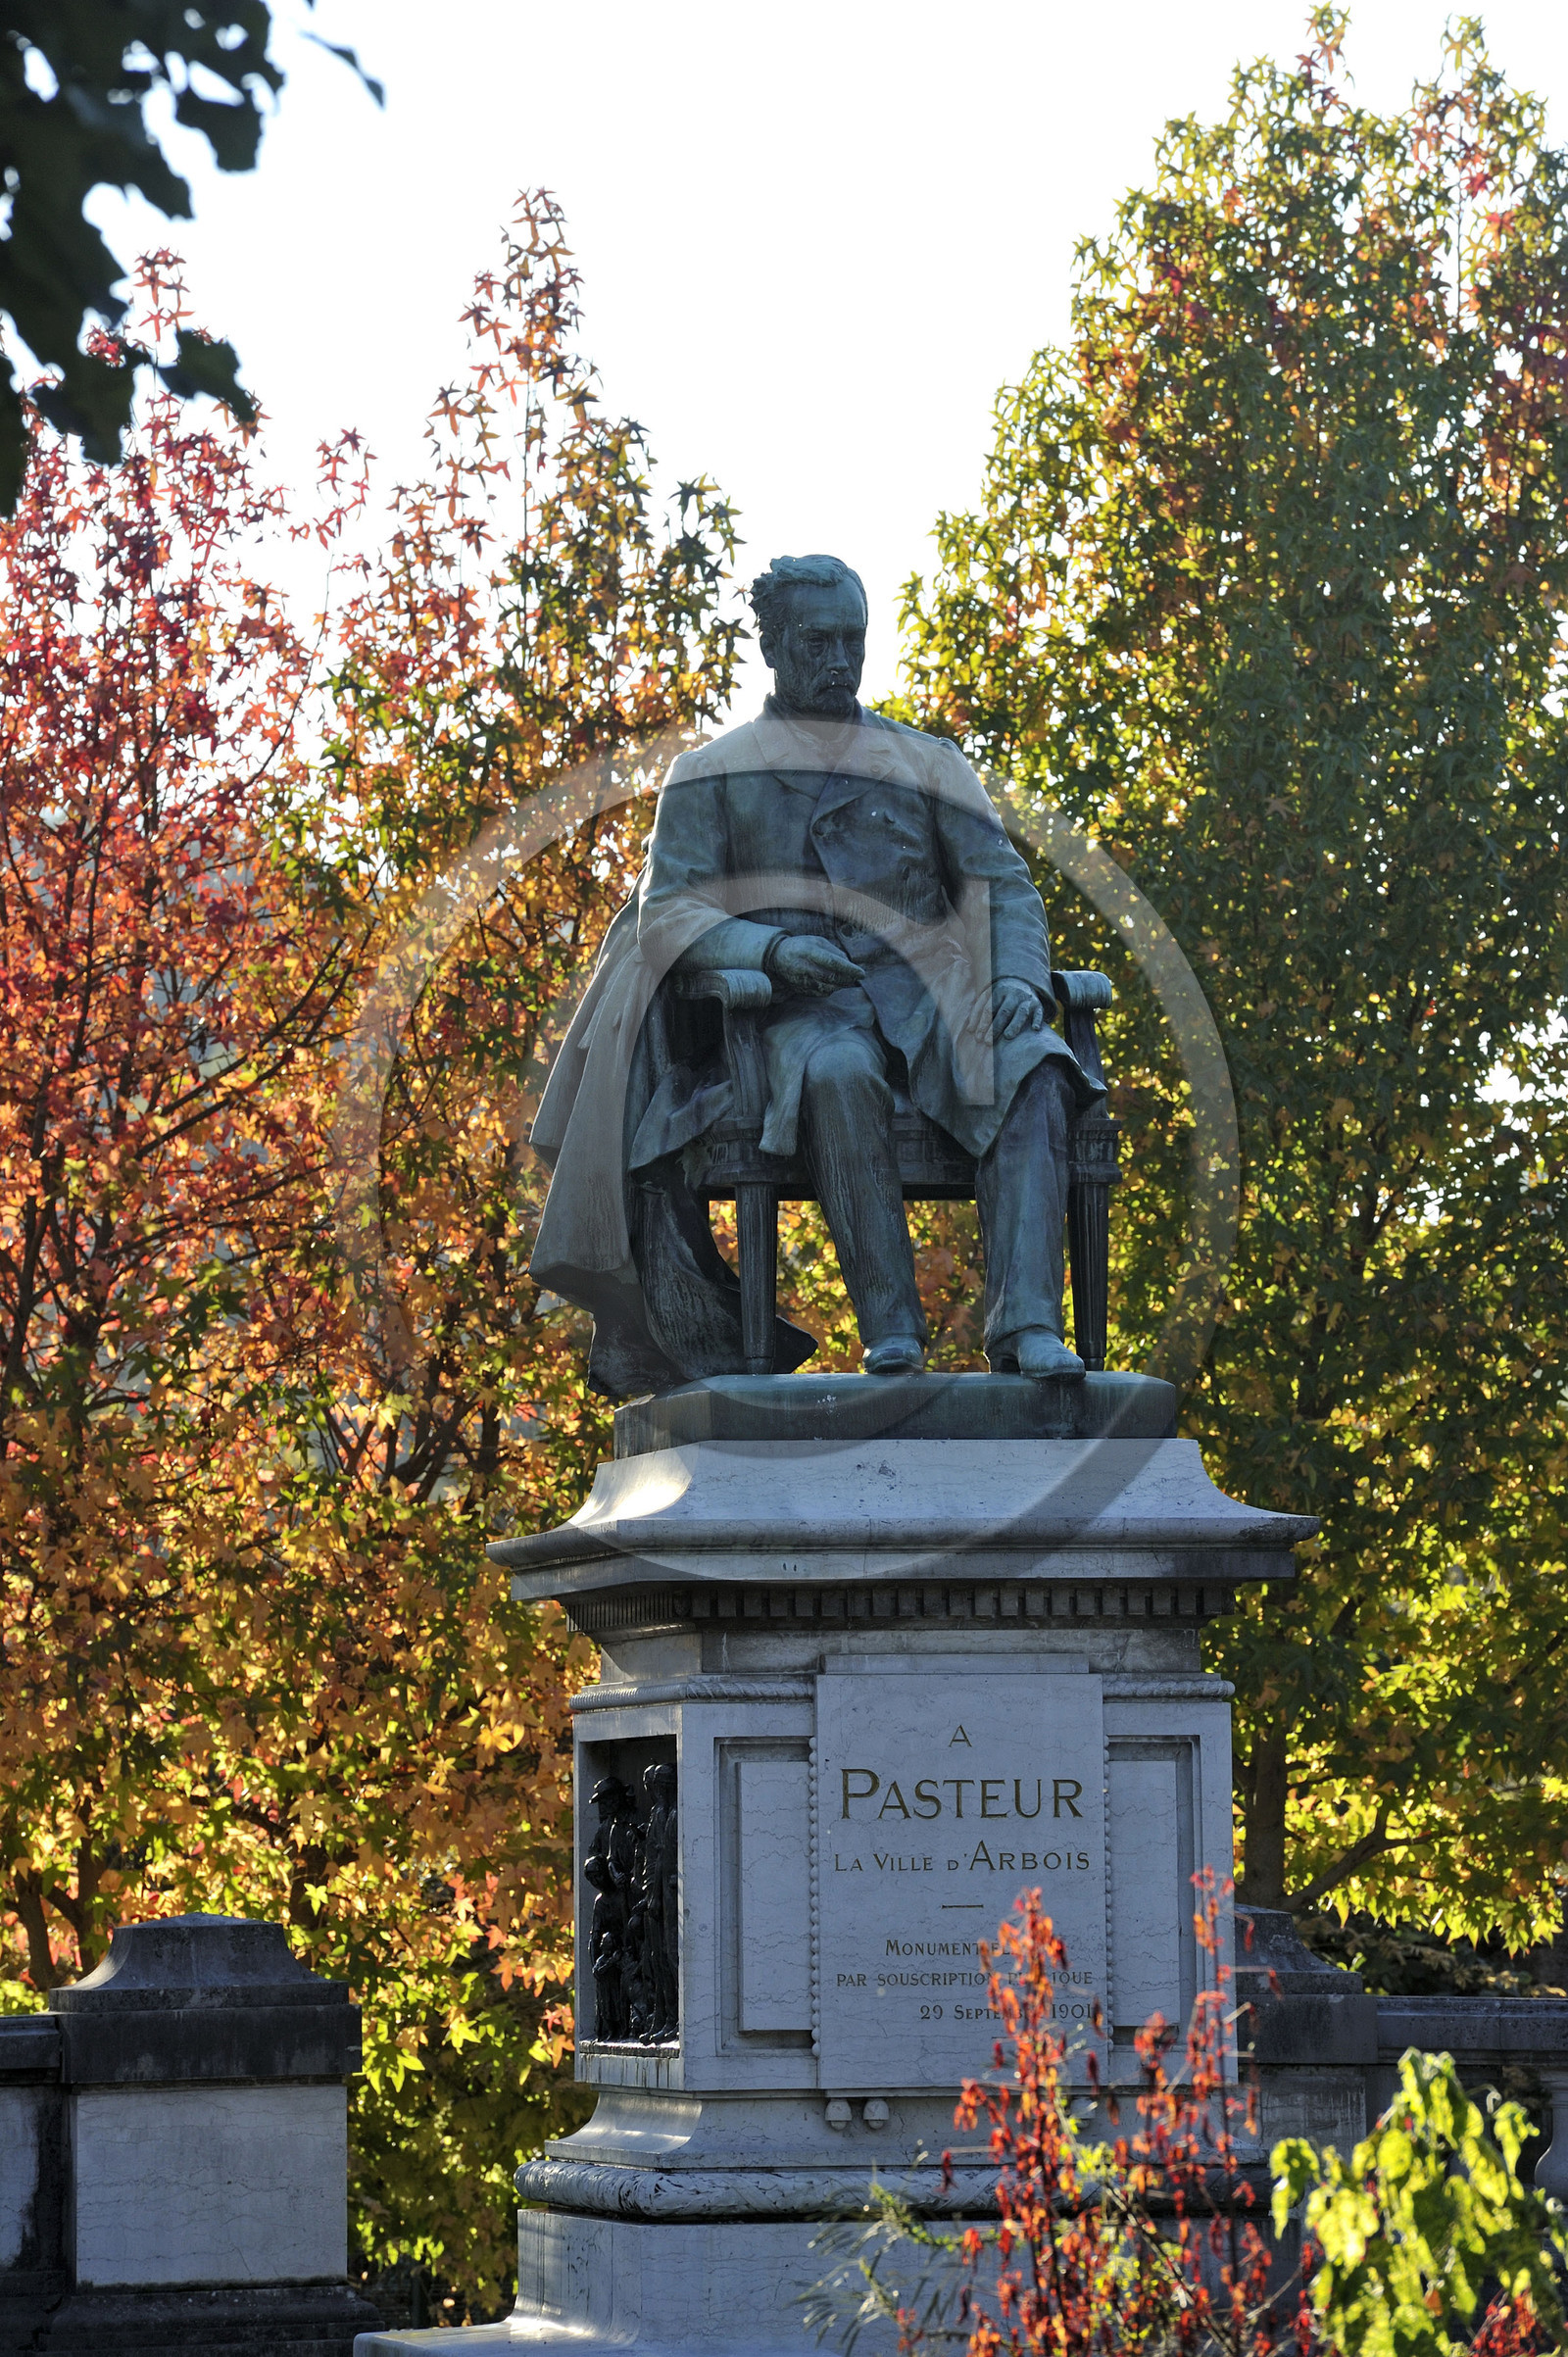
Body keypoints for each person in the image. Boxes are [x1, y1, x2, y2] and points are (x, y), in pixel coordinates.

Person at [530, 554, 1102, 1396]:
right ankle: (892, 1332)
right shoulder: (710, 775)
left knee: (1036, 1066)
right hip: (797, 1011)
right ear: (772, 646)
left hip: (933, 998)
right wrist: (766, 952)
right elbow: (670, 914)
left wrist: (1017, 977)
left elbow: (1002, 883)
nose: (839, 661)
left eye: (852, 642)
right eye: (817, 642)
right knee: (838, 1074)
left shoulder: (926, 761)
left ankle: (1028, 1326)